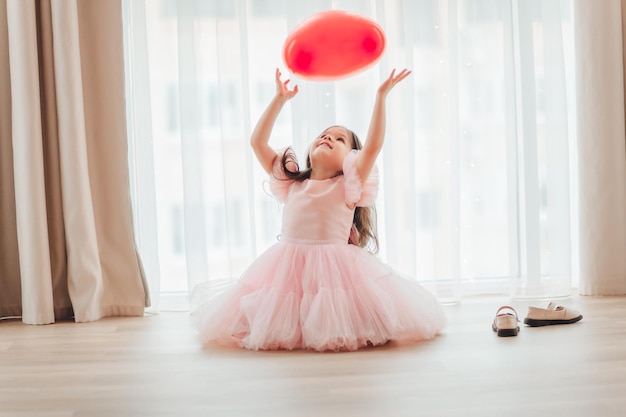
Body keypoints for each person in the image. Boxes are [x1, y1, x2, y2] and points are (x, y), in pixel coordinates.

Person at [192, 68, 446, 352]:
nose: (328, 139)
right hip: (287, 263)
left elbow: (373, 145)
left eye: (339, 140)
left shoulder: (348, 184)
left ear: (350, 158)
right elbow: (257, 142)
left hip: (335, 266)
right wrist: (279, 99)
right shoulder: (291, 181)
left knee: (332, 307)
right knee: (285, 307)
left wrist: (380, 96)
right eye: (324, 135)